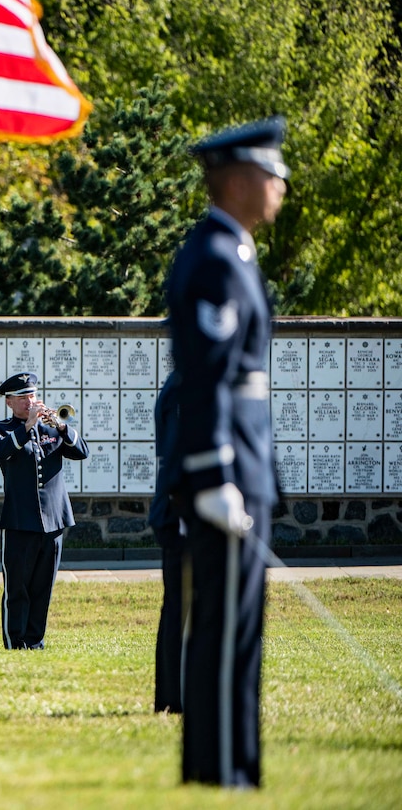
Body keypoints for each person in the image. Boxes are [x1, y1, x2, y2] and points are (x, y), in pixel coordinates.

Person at [166, 117, 288, 788]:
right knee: (223, 627)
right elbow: (209, 371)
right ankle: (218, 770)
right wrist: (214, 471)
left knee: (243, 632)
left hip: (245, 462)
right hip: (228, 466)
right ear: (241, 181)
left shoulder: (232, 252)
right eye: (273, 177)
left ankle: (237, 764)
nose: (280, 190)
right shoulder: (214, 256)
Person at [0, 372, 89, 650]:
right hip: (20, 520)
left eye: (32, 395)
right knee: (17, 587)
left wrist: (62, 426)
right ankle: (15, 641)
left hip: (54, 520)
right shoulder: (1, 429)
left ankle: (35, 641)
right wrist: (27, 427)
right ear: (9, 402)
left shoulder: (52, 428)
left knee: (43, 587)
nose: (30, 402)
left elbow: (82, 451)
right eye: (22, 398)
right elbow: (0, 451)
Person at [151, 370, 185, 714]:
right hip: (183, 513)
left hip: (187, 509)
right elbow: (178, 454)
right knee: (181, 608)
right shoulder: (183, 386)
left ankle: (178, 695)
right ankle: (175, 697)